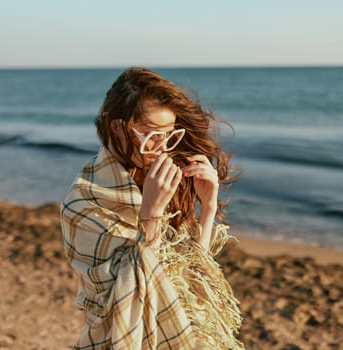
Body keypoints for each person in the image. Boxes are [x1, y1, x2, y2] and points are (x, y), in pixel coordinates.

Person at [60, 67, 244, 349]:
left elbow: (192, 277)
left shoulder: (160, 178)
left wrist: (207, 207)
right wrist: (150, 216)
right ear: (117, 128)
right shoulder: (82, 203)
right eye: (150, 135)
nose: (162, 147)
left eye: (169, 135)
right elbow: (121, 300)